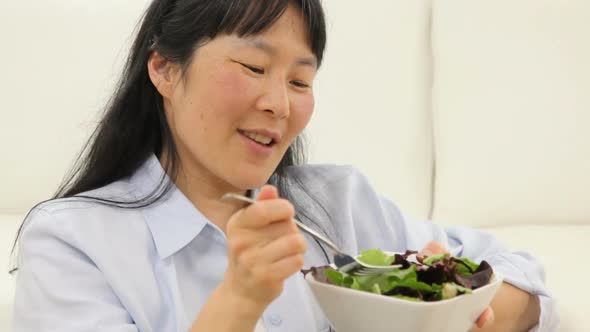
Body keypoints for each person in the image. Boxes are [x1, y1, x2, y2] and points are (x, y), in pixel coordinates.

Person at [11, 0, 557, 331]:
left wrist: (454, 308)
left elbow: (529, 284)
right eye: (253, 66)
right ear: (164, 70)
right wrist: (241, 297)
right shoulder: (73, 240)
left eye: (300, 80)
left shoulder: (336, 206)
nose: (280, 103)